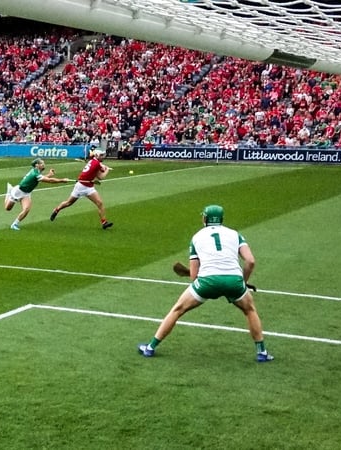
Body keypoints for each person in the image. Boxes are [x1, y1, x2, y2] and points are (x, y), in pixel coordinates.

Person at [137, 205, 273, 362]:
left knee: (178, 309)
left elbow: (194, 276)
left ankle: (150, 347)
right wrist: (243, 282)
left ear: (205, 219)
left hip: (207, 281)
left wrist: (205, 284)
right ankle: (261, 352)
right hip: (234, 281)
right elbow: (250, 261)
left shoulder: (197, 237)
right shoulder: (235, 234)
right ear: (221, 219)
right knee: (249, 310)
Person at [50, 148, 113, 229]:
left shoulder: (94, 161)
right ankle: (56, 209)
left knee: (99, 203)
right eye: (101, 155)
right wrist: (107, 170)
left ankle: (104, 222)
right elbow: (101, 177)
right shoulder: (96, 164)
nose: (103, 157)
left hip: (89, 186)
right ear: (97, 155)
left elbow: (97, 171)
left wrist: (102, 167)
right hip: (81, 186)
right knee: (69, 203)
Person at [5, 158, 71, 231]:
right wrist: (62, 180)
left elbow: (41, 178)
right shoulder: (35, 173)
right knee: (8, 208)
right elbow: (49, 181)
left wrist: (49, 174)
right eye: (42, 163)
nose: (44, 164)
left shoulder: (36, 172)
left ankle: (14, 224)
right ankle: (9, 192)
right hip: (18, 192)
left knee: (26, 209)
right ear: (37, 165)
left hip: (26, 193)